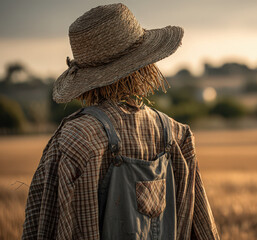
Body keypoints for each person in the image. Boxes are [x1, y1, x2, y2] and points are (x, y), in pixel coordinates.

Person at [22, 3, 219, 240]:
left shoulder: (75, 139)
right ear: (145, 65)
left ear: (84, 78)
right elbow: (204, 231)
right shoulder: (178, 135)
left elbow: (44, 227)